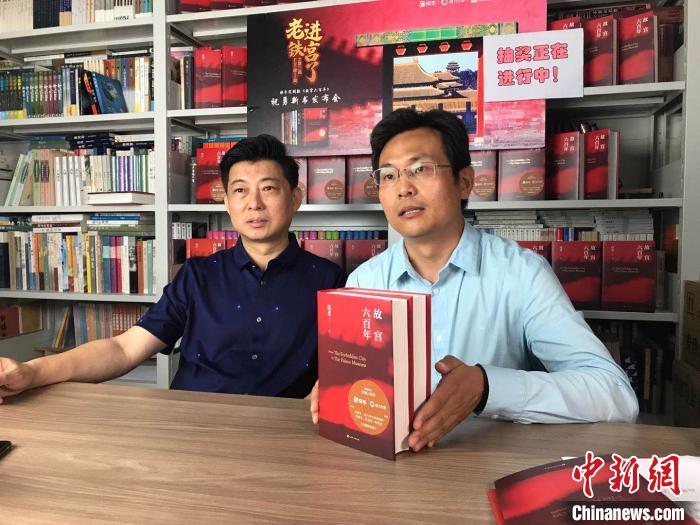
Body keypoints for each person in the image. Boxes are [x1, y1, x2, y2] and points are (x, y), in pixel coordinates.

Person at [310, 108, 638, 450]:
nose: (403, 188)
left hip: (487, 465)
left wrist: (487, 387)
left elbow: (615, 394)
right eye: (389, 176)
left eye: (420, 169)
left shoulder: (521, 273)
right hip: (387, 468)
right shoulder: (364, 282)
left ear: (464, 181)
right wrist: (336, 391)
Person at [0, 134, 345, 403]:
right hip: (193, 427)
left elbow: (345, 368)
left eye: (268, 188)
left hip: (283, 435)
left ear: (295, 197)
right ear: (227, 203)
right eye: (240, 190)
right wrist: (32, 372)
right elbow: (124, 349)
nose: (254, 203)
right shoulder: (198, 276)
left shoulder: (331, 282)